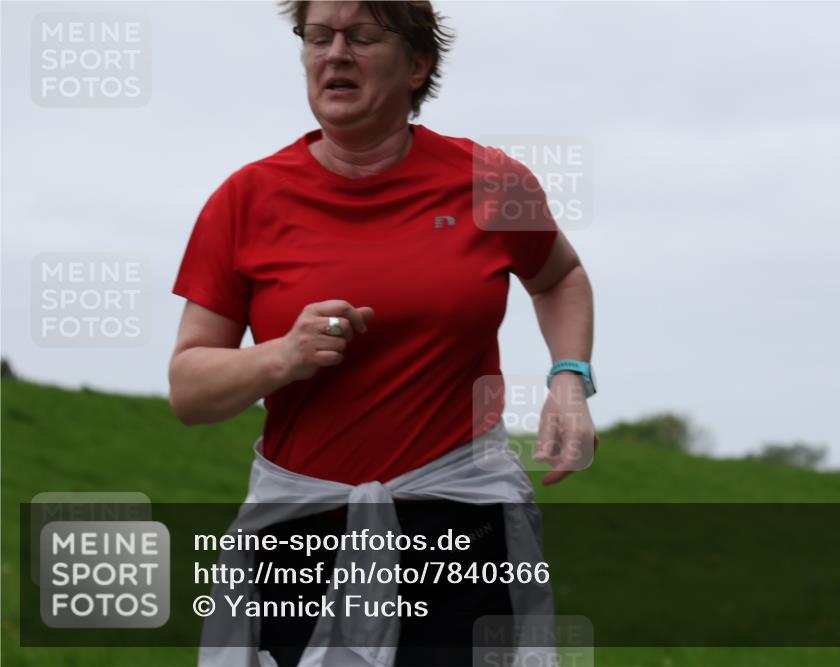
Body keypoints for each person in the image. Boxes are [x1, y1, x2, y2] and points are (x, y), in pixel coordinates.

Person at [169, 1, 597, 665]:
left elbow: (560, 277)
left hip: (460, 521)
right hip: (302, 535)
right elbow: (189, 390)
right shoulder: (246, 199)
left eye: (362, 36)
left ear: (417, 64)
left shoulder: (490, 180)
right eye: (318, 36)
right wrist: (282, 356)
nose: (335, 53)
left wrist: (569, 377)